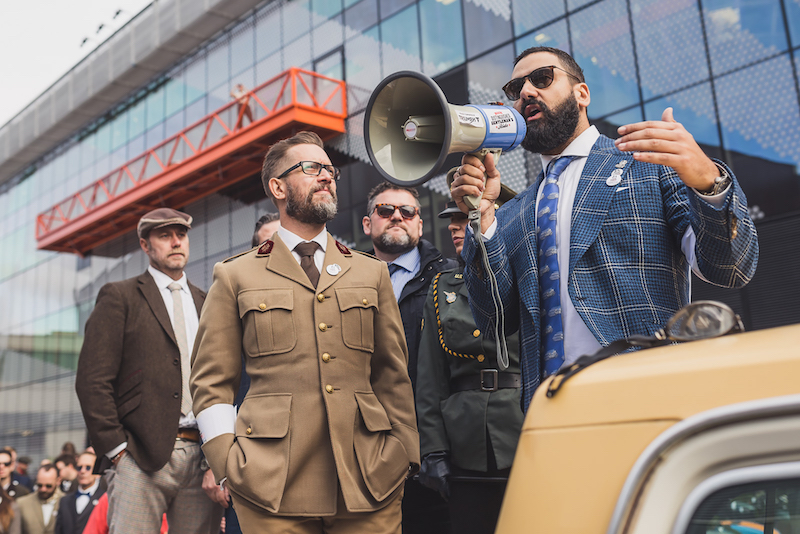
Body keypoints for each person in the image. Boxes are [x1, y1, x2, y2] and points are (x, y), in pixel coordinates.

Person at [450, 46, 759, 410]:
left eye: (542, 78)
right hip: (549, 410)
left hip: (648, 393)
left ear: (582, 94)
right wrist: (483, 222)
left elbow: (731, 268)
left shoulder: (648, 163)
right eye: (515, 89)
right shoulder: (514, 210)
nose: (526, 92)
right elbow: (495, 323)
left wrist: (708, 179)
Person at [190, 131, 419, 533]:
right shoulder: (235, 275)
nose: (326, 176)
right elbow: (212, 382)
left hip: (369, 480)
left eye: (330, 169)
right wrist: (226, 463)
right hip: (269, 486)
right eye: (310, 168)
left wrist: (403, 453)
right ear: (277, 187)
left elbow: (392, 377)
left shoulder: (371, 272)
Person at [75, 208, 225, 534]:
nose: (176, 242)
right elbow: (92, 380)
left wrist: (220, 454)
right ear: (145, 244)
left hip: (201, 457)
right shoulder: (120, 296)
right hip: (138, 458)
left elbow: (221, 378)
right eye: (164, 235)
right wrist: (116, 451)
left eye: (181, 235)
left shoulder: (208, 301)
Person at [415, 194, 523, 534]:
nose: (453, 227)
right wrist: (432, 449)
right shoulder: (442, 286)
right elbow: (430, 376)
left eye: (464, 218)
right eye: (452, 220)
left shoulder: (528, 275)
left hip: (523, 426)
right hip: (464, 441)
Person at [361, 183, 456, 534]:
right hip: (368, 451)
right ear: (368, 224)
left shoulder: (450, 277)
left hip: (436, 452)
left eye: (408, 211)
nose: (397, 216)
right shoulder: (344, 283)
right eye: (385, 211)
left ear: (419, 224)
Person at [54, 452, 106, 534]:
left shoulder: (105, 499)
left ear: (97, 472)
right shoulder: (64, 501)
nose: (82, 471)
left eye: (88, 468)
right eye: (79, 467)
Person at [16, 465, 61, 534]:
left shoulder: (67, 502)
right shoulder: (22, 503)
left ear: (58, 481)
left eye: (48, 486)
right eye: (39, 485)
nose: (43, 489)